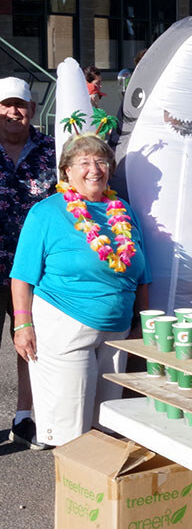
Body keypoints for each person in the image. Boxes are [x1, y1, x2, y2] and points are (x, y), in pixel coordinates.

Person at [10, 133, 150, 448]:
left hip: (117, 332)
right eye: (83, 162)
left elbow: (143, 273)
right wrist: (22, 324)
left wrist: (141, 324)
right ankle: (75, 494)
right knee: (71, 429)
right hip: (66, 327)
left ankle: (99, 493)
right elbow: (22, 276)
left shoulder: (123, 211)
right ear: (67, 172)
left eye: (101, 161)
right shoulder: (46, 212)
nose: (94, 169)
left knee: (107, 424)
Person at [0, 77, 57, 449]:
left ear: (33, 110)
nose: (12, 112)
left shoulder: (52, 149)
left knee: (31, 343)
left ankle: (25, 418)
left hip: (36, 269)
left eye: (20, 105)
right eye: (5, 105)